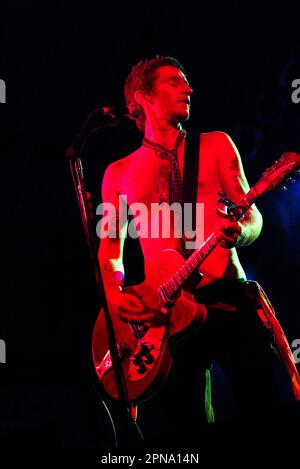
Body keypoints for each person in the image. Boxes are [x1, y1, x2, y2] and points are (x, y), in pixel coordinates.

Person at [97, 56, 298, 444]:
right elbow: (110, 250)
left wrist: (239, 231)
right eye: (174, 82)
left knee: (265, 407)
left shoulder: (216, 145)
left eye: (187, 82)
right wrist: (114, 293)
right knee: (185, 429)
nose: (188, 89)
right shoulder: (116, 174)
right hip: (164, 316)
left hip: (226, 296)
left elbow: (253, 217)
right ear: (143, 98)